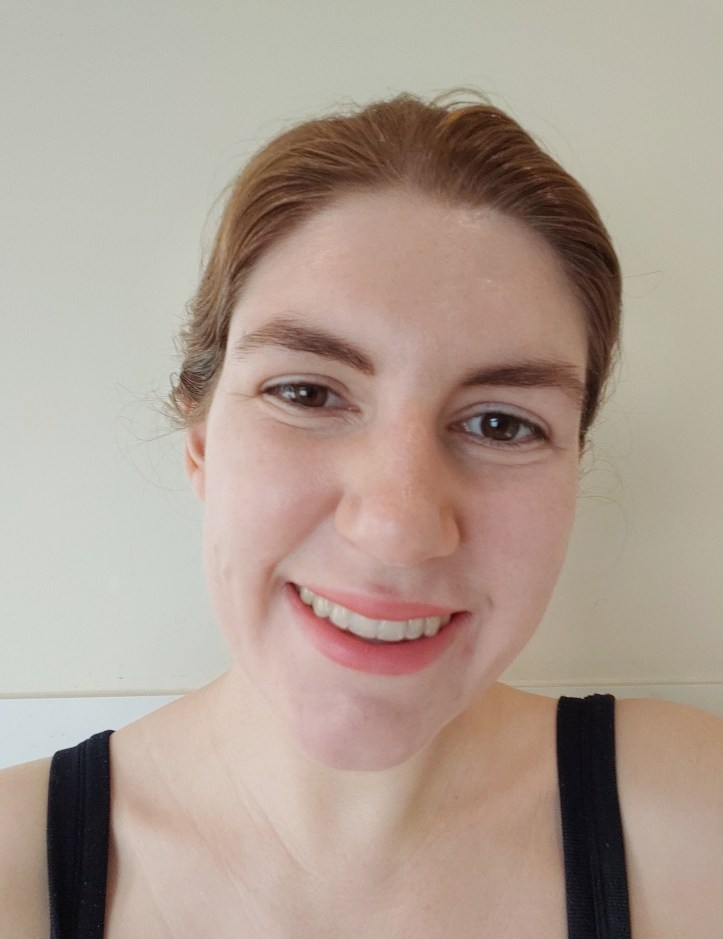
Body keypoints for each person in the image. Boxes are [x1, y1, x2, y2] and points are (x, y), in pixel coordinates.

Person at [1, 91, 721, 939]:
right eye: (307, 392)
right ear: (200, 442)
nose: (397, 529)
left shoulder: (696, 825)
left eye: (501, 424)